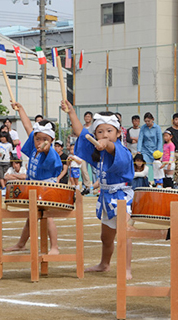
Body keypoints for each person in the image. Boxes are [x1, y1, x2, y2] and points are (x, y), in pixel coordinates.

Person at [61, 100, 135, 280]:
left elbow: (110, 147)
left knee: (124, 232)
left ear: (118, 133)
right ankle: (105, 263)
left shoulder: (121, 150)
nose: (105, 134)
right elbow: (81, 133)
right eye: (100, 131)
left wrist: (105, 143)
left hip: (121, 196)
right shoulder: (97, 151)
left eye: (110, 131)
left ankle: (126, 269)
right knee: (106, 237)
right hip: (105, 196)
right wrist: (71, 112)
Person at [4, 101, 63, 255]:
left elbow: (47, 148)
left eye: (45, 139)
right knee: (32, 217)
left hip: (46, 188)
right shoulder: (34, 149)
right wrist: (21, 109)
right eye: (38, 139)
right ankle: (21, 244)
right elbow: (28, 128)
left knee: (47, 216)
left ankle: (54, 247)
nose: (40, 142)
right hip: (33, 186)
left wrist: (46, 146)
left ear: (51, 140)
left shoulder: (50, 152)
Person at [137, 112, 162, 178]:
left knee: (156, 166)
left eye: (149, 121)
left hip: (155, 151)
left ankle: (156, 181)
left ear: (152, 119)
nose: (147, 123)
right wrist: (139, 150)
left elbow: (160, 140)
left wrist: (158, 152)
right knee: (145, 166)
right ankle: (147, 180)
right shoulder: (143, 128)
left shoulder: (157, 128)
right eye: (145, 121)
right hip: (145, 150)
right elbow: (140, 139)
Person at [166, 113, 178, 184]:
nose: (177, 121)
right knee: (171, 168)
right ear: (173, 120)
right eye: (176, 119)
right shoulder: (169, 131)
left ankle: (177, 183)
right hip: (172, 153)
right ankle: (170, 183)